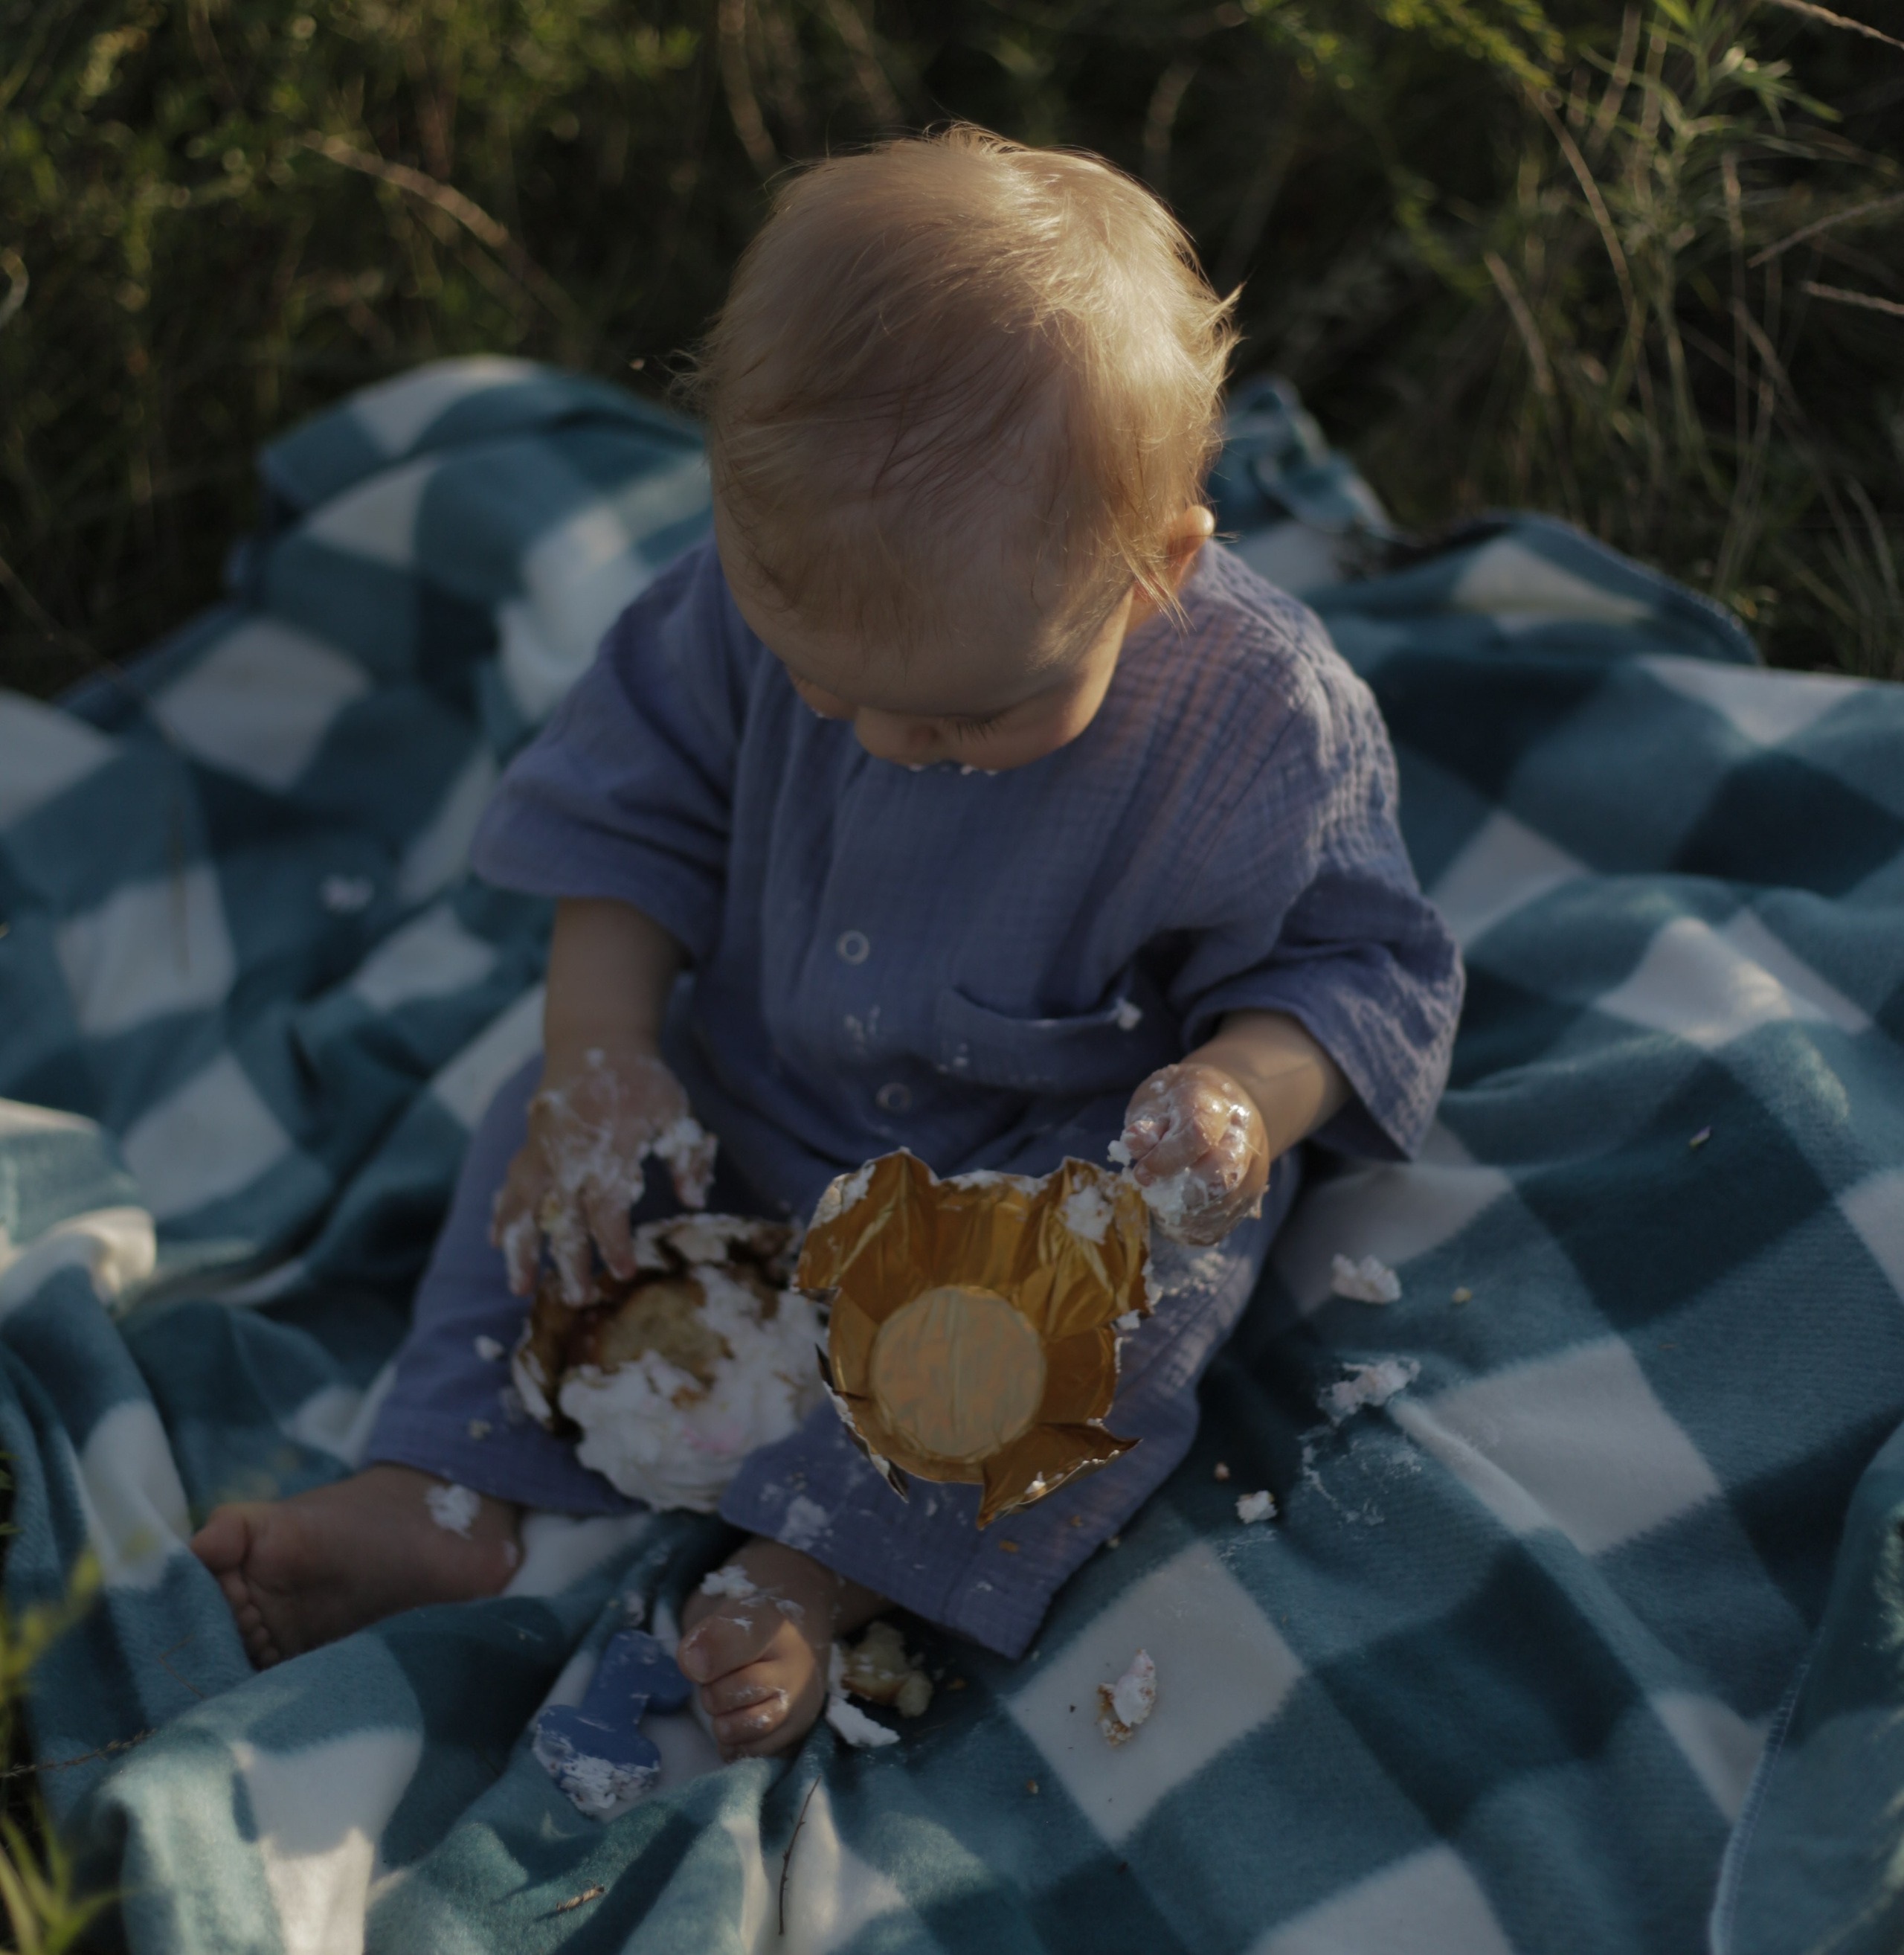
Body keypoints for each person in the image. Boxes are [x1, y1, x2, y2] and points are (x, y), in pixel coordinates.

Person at [191, 126, 1462, 1761]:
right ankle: (443, 1482)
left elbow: (1357, 966)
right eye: (818, 679)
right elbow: (625, 828)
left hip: (1038, 1162)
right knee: (548, 1149)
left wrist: (1238, 1093)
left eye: (962, 713)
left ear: (1154, 571)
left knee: (1117, 1315)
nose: (875, 733)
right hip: (759, 1074)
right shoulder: (745, 599)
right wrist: (601, 1054)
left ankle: (822, 1565)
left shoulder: (1258, 728)